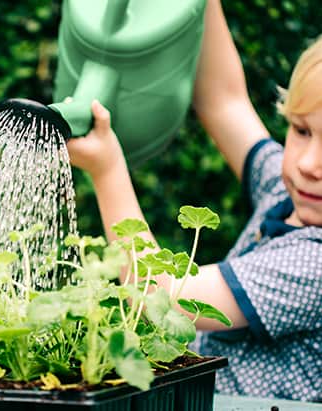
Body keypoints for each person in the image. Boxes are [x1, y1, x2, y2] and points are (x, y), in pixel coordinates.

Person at [66, 0, 322, 403]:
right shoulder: (284, 191)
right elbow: (224, 101)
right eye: (302, 130)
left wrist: (107, 169)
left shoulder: (315, 265)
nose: (309, 164)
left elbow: (160, 300)